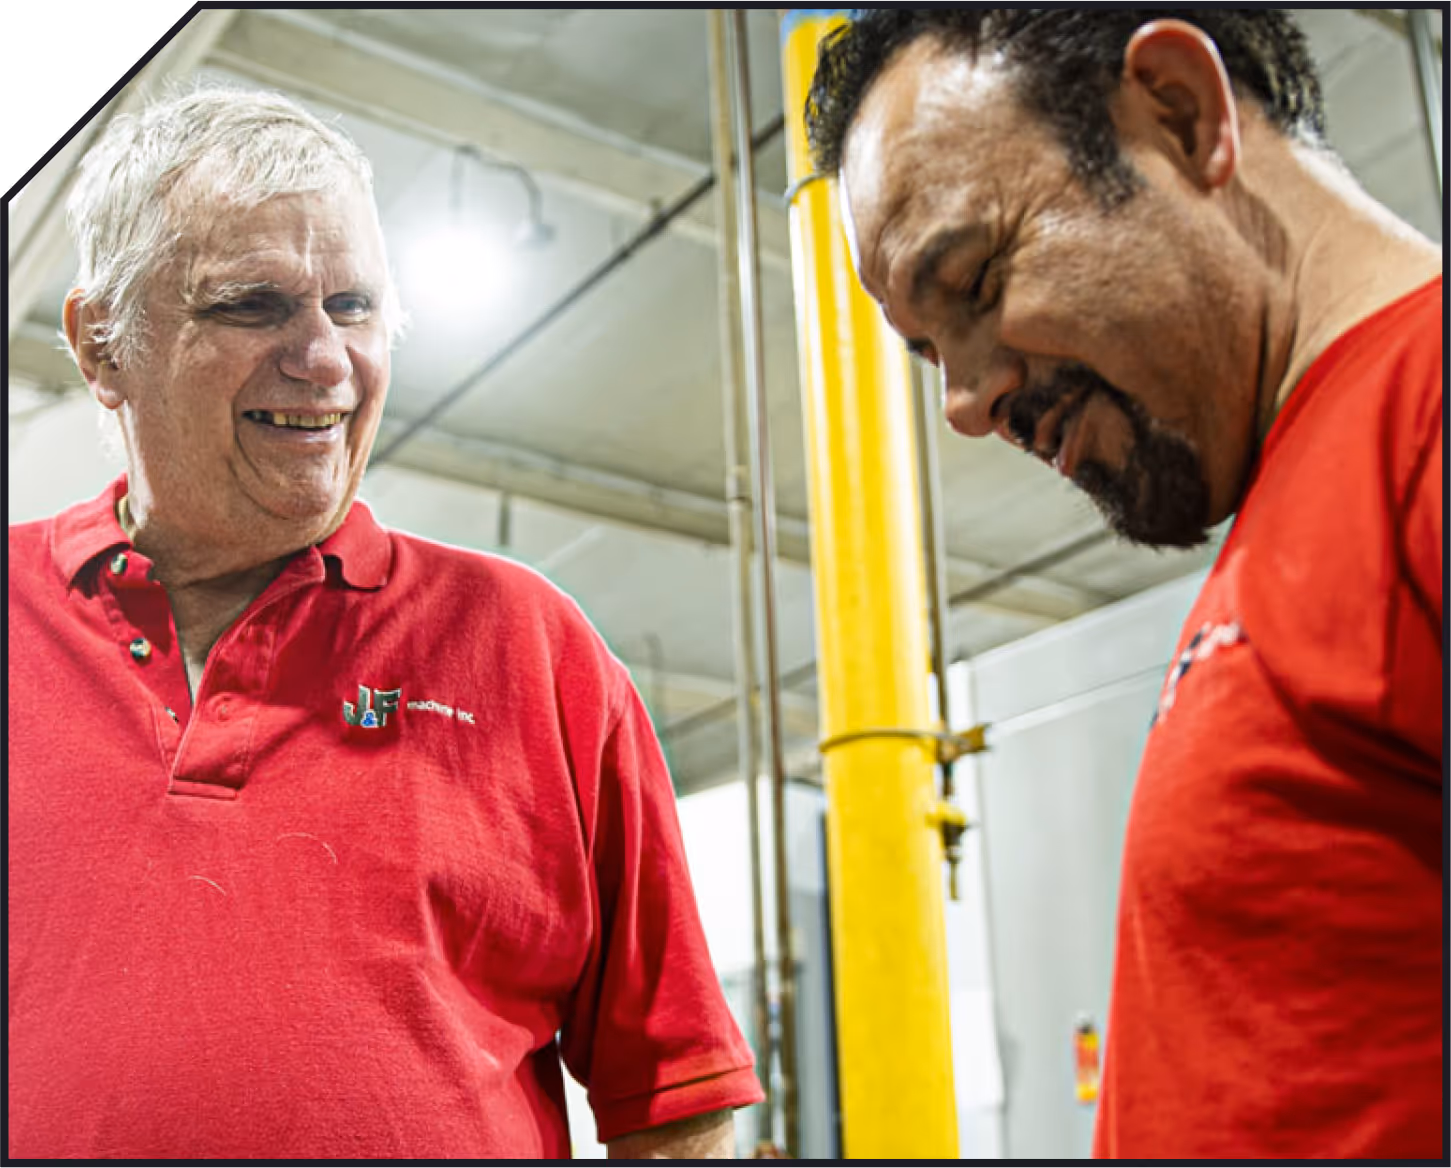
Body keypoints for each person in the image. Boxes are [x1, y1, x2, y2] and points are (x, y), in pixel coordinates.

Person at [7, 86, 762, 1159]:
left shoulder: (530, 648)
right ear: (100, 342)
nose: (324, 360)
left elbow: (678, 1103)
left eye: (353, 306)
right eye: (252, 305)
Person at [804, 9, 1440, 1159]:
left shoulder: (1423, 412)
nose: (962, 404)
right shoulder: (1297, 490)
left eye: (976, 279)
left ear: (1181, 115)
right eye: (928, 350)